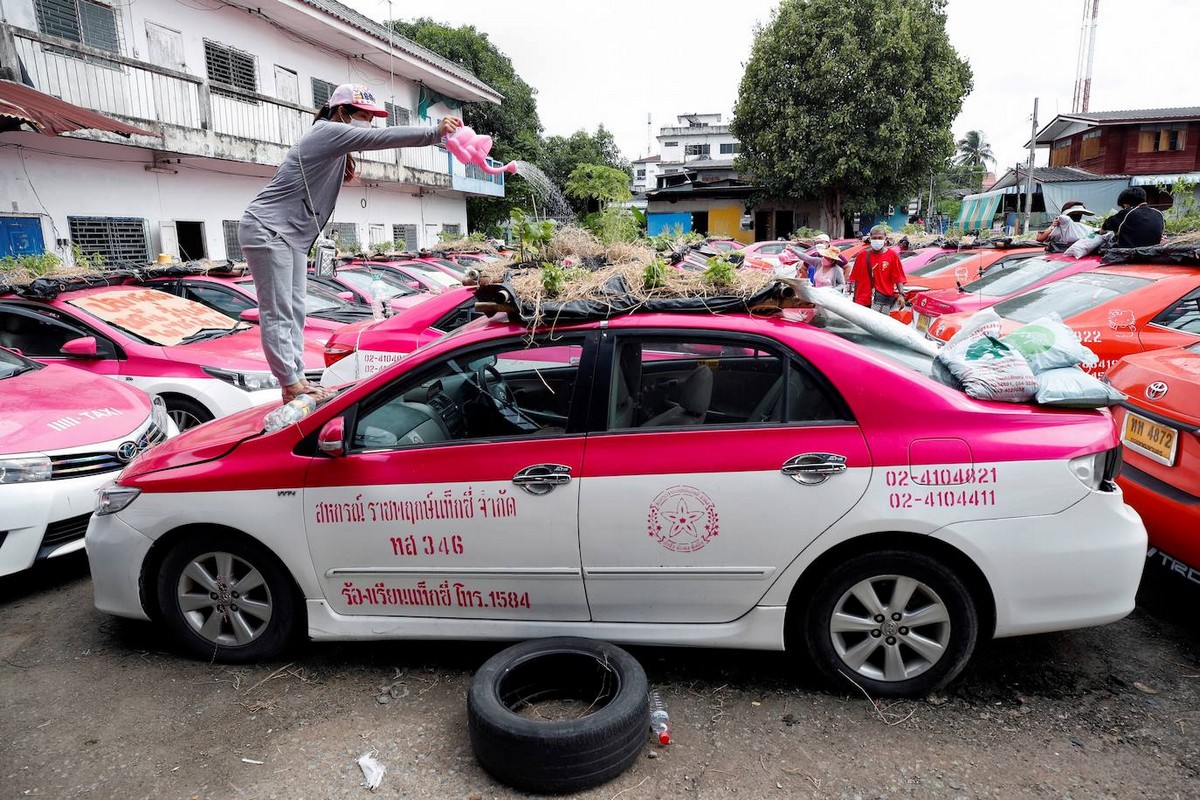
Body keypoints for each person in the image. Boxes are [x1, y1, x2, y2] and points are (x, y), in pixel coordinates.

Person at [239, 84, 460, 402]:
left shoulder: (335, 146)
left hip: (292, 236)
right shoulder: (325, 131)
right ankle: (289, 385)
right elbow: (378, 139)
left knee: (296, 311)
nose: (368, 123)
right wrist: (434, 133)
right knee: (279, 311)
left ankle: (298, 379)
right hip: (268, 229)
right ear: (342, 112)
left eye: (372, 117)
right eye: (364, 115)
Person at [847, 225, 907, 312]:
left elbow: (898, 277)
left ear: (885, 239)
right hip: (862, 301)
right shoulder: (862, 255)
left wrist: (901, 294)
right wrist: (854, 298)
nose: (877, 240)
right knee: (862, 325)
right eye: (874, 238)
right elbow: (856, 279)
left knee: (879, 324)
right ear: (870, 238)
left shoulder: (892, 255)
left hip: (883, 301)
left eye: (880, 238)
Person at [1100, 187, 1166, 248]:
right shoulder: (1159, 213)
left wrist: (1101, 232)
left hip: (1129, 254)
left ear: (1126, 205)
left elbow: (1106, 224)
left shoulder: (1127, 213)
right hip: (1152, 252)